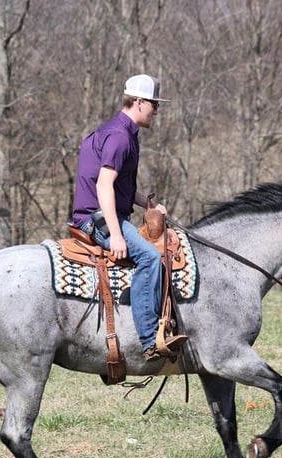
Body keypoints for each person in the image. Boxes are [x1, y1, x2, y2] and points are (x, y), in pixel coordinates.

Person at [69, 73, 187, 361]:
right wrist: (117, 234)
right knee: (149, 257)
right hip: (96, 219)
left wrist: (147, 203)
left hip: (103, 213)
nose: (156, 111)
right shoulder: (121, 138)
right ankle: (151, 340)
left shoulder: (118, 131)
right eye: (153, 105)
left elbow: (119, 185)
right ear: (138, 102)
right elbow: (104, 184)